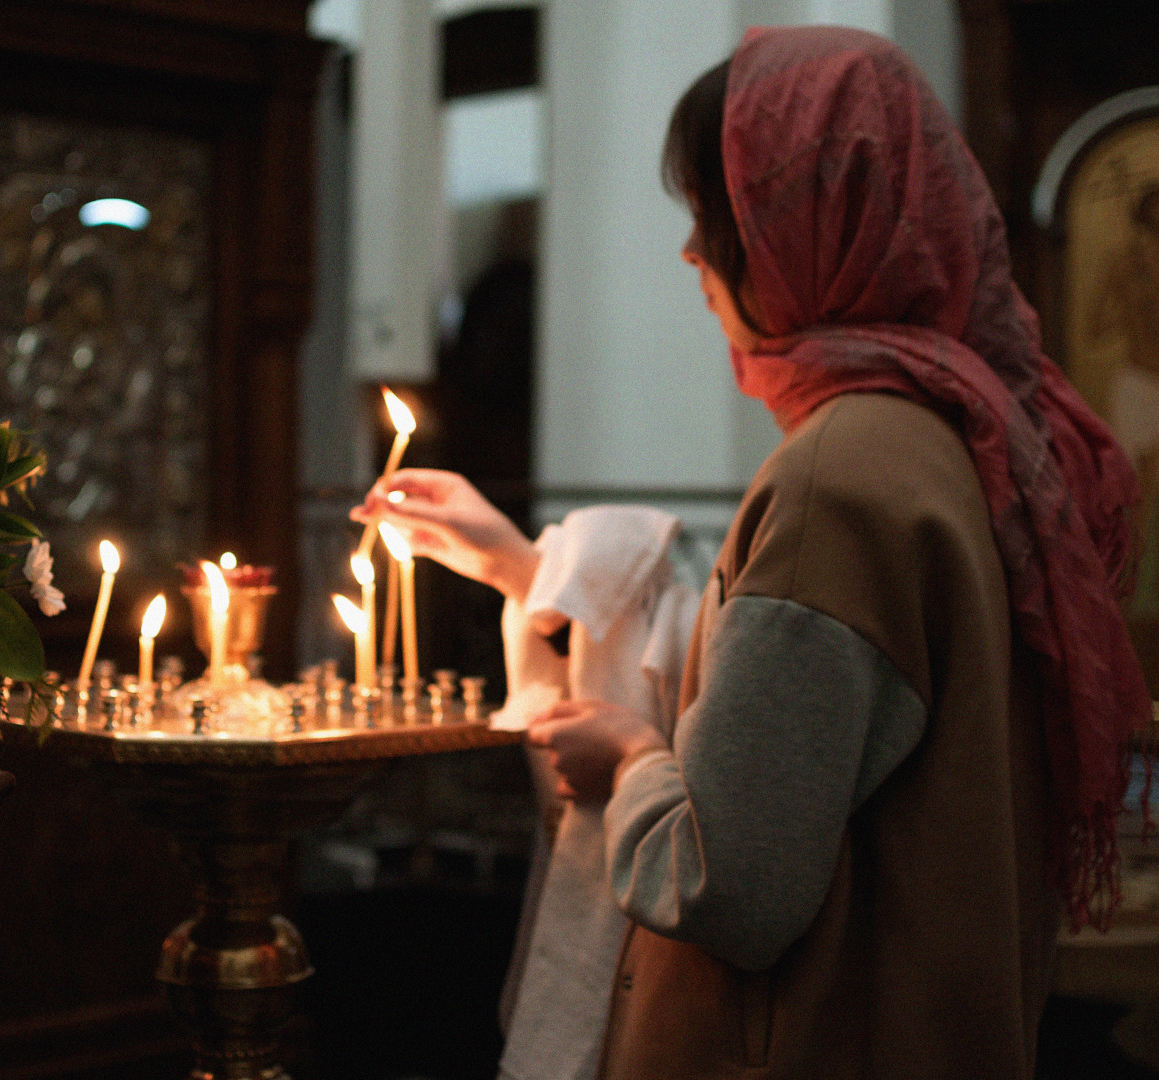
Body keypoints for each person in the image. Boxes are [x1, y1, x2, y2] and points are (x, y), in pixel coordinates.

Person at [354, 25, 1149, 1078]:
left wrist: (627, 762)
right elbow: (805, 708)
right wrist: (520, 566)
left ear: (807, 225)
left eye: (714, 217)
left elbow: (729, 882)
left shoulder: (844, 471)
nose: (691, 255)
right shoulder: (965, 431)